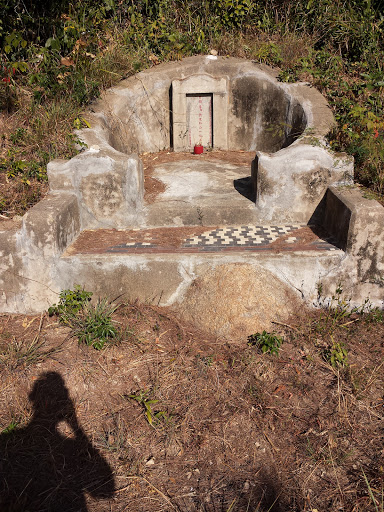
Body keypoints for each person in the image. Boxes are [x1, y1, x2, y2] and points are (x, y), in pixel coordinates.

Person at [0, 371, 115, 511]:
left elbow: (105, 492)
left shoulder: (7, 441)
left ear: (31, 398)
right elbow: (105, 491)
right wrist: (78, 429)